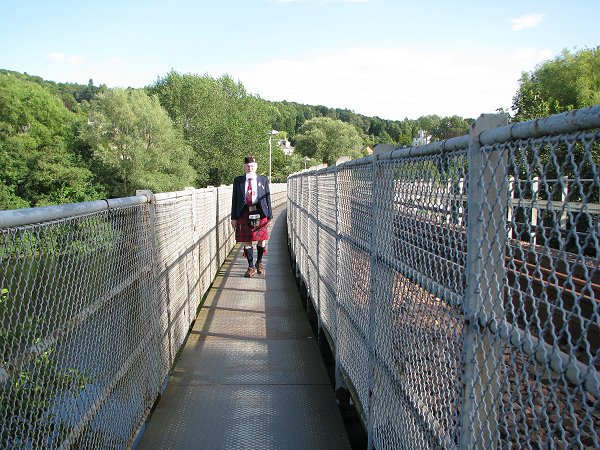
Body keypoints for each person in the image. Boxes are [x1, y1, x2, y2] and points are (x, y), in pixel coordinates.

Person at [231, 155, 273, 277]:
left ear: (255, 167)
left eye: (252, 166)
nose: (250, 168)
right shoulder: (238, 180)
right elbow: (234, 200)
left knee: (262, 239)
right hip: (244, 212)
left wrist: (269, 215)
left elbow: (268, 198)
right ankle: (250, 267)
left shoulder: (263, 179)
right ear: (244, 167)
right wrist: (233, 217)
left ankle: (259, 263)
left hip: (260, 212)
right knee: (246, 240)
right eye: (247, 166)